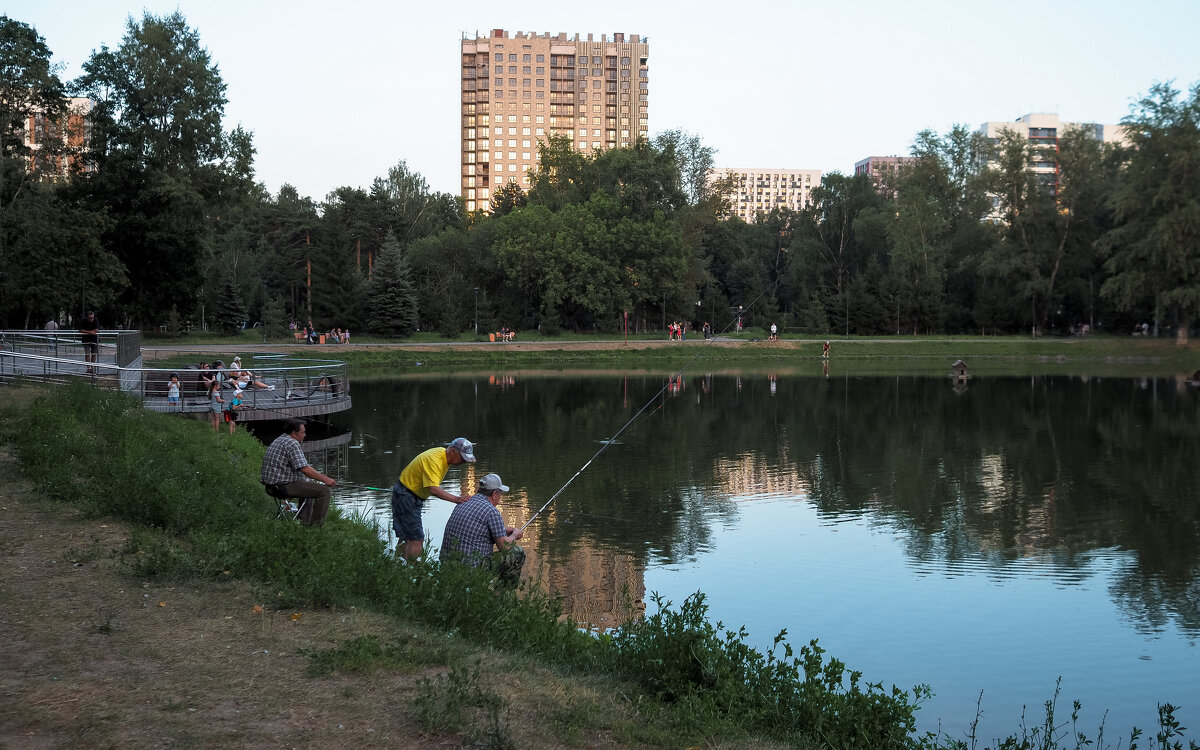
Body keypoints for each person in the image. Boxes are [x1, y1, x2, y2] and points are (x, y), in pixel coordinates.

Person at [392, 437, 476, 560]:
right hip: (407, 496)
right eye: (462, 458)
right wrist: (456, 499)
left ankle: (398, 565)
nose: (463, 462)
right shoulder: (435, 460)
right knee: (417, 538)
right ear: (453, 451)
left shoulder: (442, 455)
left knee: (407, 535)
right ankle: (411, 572)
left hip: (407, 493)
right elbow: (433, 489)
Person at [440, 473, 525, 583]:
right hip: (470, 569)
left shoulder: (463, 503)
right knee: (517, 552)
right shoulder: (492, 511)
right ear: (494, 494)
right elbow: (504, 547)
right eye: (500, 495)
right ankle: (502, 594)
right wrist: (515, 534)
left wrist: (502, 531)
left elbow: (473, 531)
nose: (500, 499)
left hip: (447, 566)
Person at [260, 418, 336, 526]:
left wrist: (314, 478)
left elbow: (303, 468)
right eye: (303, 432)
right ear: (294, 434)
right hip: (281, 487)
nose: (305, 435)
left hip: (270, 487)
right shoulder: (292, 443)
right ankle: (315, 527)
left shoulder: (281, 439)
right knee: (324, 491)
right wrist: (326, 479)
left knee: (308, 484)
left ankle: (303, 521)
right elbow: (304, 469)